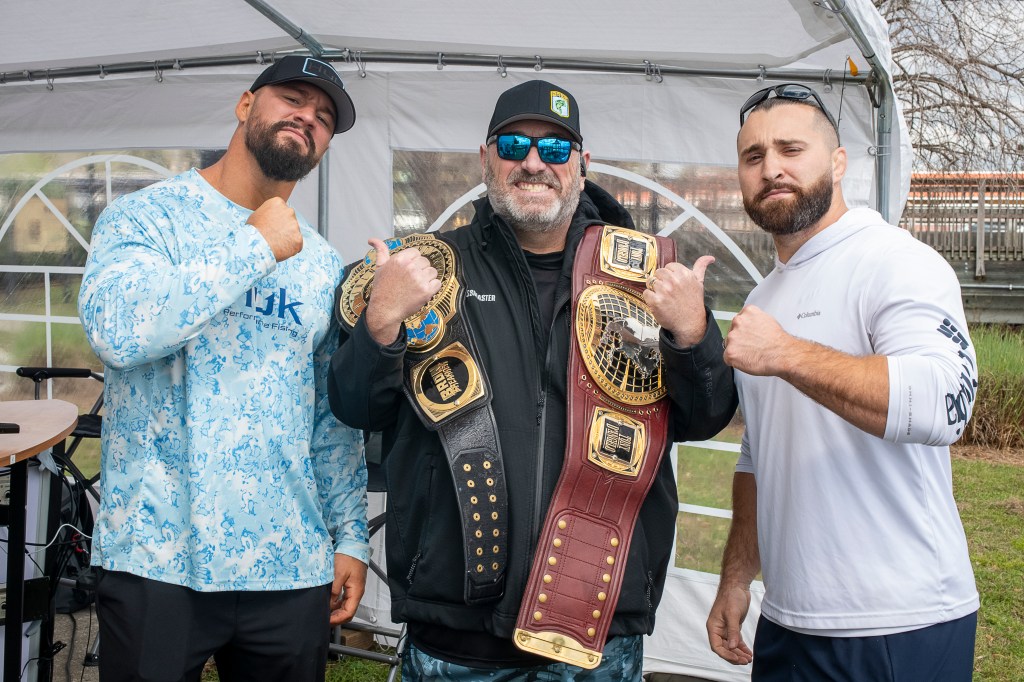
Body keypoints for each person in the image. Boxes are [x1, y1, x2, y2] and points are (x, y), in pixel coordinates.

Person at [329, 79, 737, 680]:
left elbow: (707, 417)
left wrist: (694, 334)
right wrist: (381, 323)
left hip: (597, 628)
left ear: (582, 162)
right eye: (514, 144)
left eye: (555, 148)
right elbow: (355, 407)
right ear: (486, 158)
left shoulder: (646, 276)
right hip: (455, 634)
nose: (533, 163)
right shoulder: (426, 268)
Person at [79, 55, 369, 682]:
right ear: (245, 105)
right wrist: (255, 245)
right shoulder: (147, 218)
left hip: (288, 561)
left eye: (324, 117)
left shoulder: (321, 263)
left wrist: (350, 534)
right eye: (292, 99)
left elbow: (327, 416)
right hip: (157, 558)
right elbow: (118, 332)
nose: (308, 118)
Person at [707, 83, 979, 681]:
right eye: (754, 156)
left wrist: (787, 353)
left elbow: (944, 404)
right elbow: (758, 452)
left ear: (837, 162)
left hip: (900, 621)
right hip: (788, 623)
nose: (771, 169)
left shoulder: (895, 261)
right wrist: (737, 576)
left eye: (790, 149)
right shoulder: (763, 296)